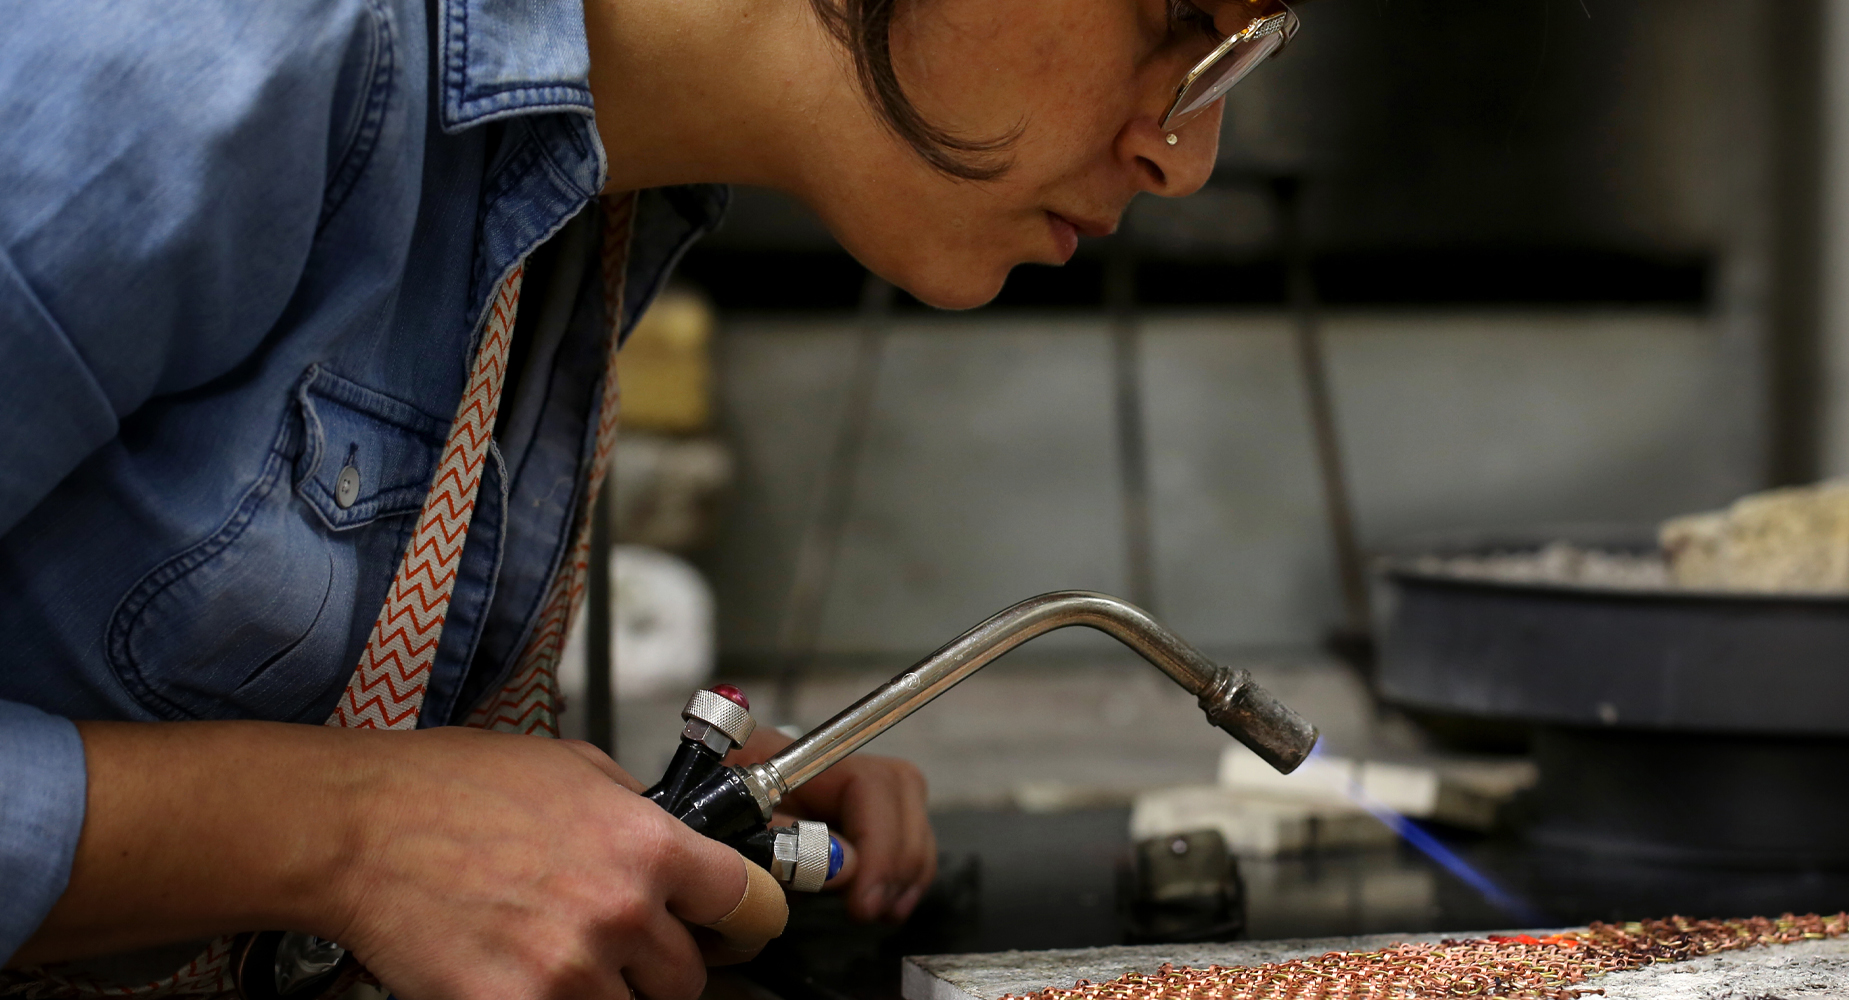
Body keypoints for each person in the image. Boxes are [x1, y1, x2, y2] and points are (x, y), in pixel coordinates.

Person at [0, 0, 1300, 995]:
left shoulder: (592, 201)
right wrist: (349, 837)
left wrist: (593, 839)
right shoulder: (193, 72)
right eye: (1182, 25)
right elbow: (360, 830)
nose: (1182, 155)